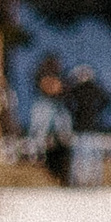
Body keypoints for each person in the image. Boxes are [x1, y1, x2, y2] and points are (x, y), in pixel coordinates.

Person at [25, 55, 73, 188]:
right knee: (53, 145)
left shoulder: (54, 105)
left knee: (56, 147)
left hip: (54, 123)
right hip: (51, 124)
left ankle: (56, 175)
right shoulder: (45, 105)